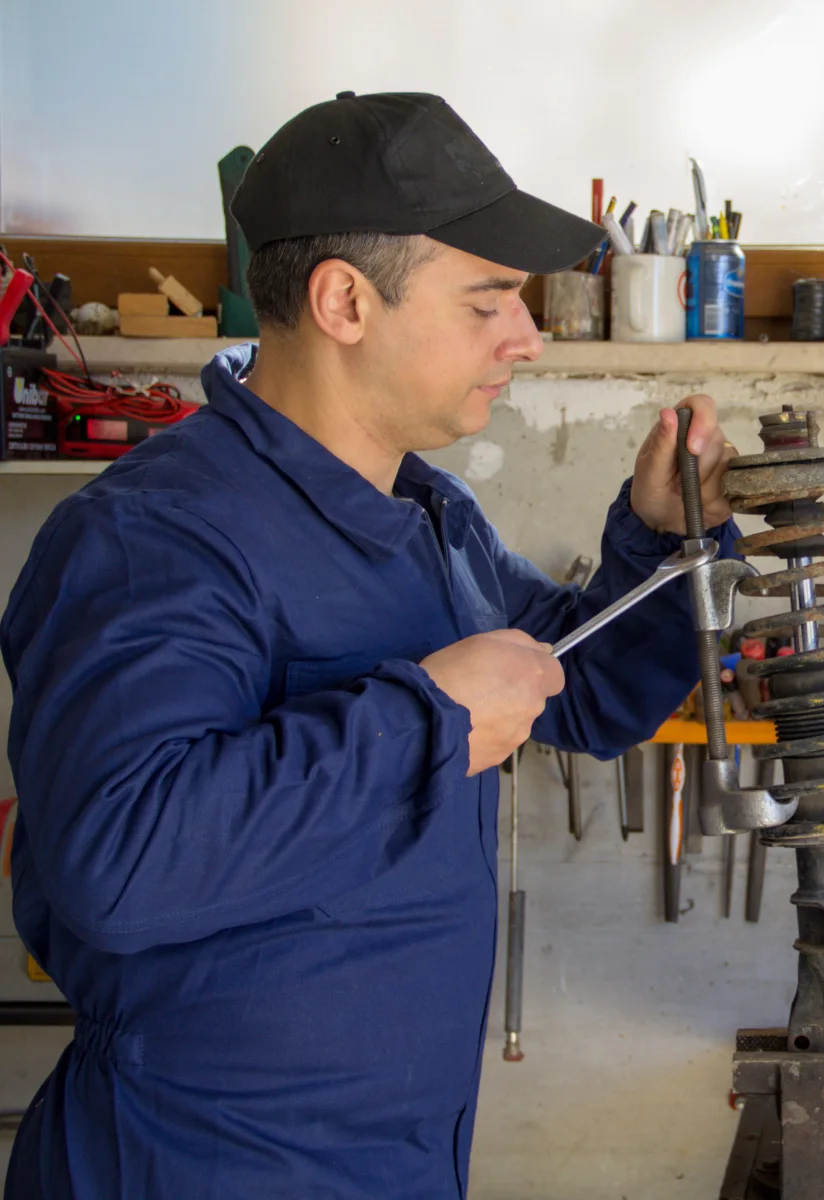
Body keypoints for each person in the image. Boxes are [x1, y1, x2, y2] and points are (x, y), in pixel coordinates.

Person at [1, 93, 738, 1200]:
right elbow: (120, 863)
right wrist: (426, 723)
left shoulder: (425, 514)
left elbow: (579, 692)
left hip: (392, 1155)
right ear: (344, 300)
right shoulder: (153, 538)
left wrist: (663, 544)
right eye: (487, 301)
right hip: (198, 1162)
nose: (526, 337)